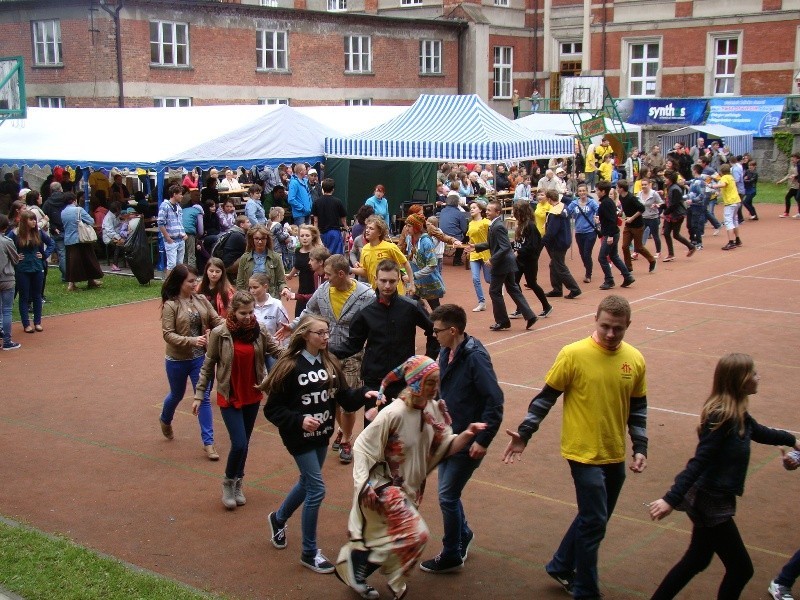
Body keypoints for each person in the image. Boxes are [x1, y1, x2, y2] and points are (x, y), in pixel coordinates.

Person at [503, 294, 648, 600]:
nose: (610, 334)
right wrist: (525, 433)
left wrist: (640, 445)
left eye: (618, 329)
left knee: (595, 516)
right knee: (595, 520)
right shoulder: (573, 354)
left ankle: (561, 563)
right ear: (595, 320)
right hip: (581, 451)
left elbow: (638, 407)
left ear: (628, 326)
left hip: (615, 451)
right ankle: (586, 590)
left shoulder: (634, 360)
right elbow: (545, 397)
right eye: (606, 326)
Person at [334, 355, 487, 600]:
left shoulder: (432, 410)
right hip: (384, 486)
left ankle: (354, 566)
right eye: (429, 382)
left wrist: (468, 434)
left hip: (410, 487)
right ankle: (366, 570)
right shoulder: (393, 413)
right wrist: (363, 485)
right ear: (415, 382)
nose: (434, 387)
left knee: (392, 536)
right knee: (416, 535)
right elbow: (363, 446)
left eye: (436, 382)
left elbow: (445, 447)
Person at [648, 353, 799, 600]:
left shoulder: (738, 414)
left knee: (696, 560)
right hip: (710, 502)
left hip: (714, 499)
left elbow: (759, 432)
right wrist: (670, 499)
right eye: (754, 373)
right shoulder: (722, 416)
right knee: (741, 569)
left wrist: (792, 440)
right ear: (740, 380)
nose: (758, 377)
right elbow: (699, 462)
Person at [263, 314, 374, 574]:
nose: (325, 337)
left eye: (327, 333)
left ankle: (278, 519)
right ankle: (309, 552)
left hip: (322, 434)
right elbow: (273, 409)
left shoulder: (330, 362)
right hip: (298, 436)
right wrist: (299, 421)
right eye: (319, 333)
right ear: (304, 335)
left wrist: (365, 393)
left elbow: (345, 398)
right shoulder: (289, 365)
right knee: (316, 490)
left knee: (306, 483)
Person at [419, 304, 503, 574]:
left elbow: (495, 400)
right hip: (448, 436)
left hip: (467, 439)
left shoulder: (475, 358)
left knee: (446, 496)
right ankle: (462, 535)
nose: (434, 335)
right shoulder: (446, 351)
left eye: (437, 331)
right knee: (449, 494)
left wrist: (483, 439)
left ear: (453, 330)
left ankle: (452, 552)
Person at [276, 253, 374, 464]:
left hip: (353, 355)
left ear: (341, 274)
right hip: (328, 353)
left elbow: (374, 322)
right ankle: (341, 430)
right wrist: (292, 327)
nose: (325, 278)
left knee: (348, 402)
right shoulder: (323, 291)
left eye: (329, 275)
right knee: (332, 398)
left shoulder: (366, 295)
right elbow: (308, 312)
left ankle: (347, 439)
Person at [194, 290, 282, 509]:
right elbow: (208, 365)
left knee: (245, 444)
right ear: (233, 311)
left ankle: (238, 482)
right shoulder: (220, 333)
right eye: (243, 313)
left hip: (252, 393)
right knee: (239, 442)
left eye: (251, 312)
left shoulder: (258, 330)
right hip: (230, 395)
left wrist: (301, 350)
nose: (249, 316)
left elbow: (276, 350)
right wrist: (199, 395)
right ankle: (228, 482)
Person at [331, 259, 438, 422]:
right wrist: (324, 350)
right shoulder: (365, 311)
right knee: (374, 429)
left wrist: (427, 360)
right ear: (375, 279)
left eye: (392, 281)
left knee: (404, 428)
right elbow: (353, 345)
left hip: (404, 379)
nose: (387, 286)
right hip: (375, 380)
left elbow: (434, 330)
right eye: (383, 281)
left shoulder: (411, 307)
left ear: (398, 281)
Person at [158, 264, 225, 461]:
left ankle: (209, 443)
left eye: (196, 279)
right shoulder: (171, 305)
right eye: (190, 281)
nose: (195, 283)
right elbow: (168, 334)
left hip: (199, 358)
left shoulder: (202, 299)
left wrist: (230, 325)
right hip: (177, 359)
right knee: (176, 394)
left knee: (203, 397)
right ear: (180, 282)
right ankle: (165, 419)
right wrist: (192, 341)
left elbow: (216, 319)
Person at [466, 199, 536, 331]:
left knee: (494, 291)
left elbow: (504, 247)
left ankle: (502, 321)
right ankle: (530, 315)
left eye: (489, 210)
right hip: (507, 263)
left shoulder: (497, 226)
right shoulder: (494, 225)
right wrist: (475, 246)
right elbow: (493, 244)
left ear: (497, 212)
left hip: (502, 265)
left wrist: (492, 260)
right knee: (513, 289)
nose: (487, 212)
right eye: (486, 210)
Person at [351, 215, 414, 297]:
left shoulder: (390, 247)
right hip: (377, 293)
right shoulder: (365, 249)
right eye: (367, 228)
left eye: (371, 228)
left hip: (396, 292)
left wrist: (412, 284)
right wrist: (350, 269)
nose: (367, 230)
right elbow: (365, 272)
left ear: (379, 233)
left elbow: (405, 263)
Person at [593, 181, 634, 290]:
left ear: (603, 191)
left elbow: (611, 220)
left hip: (610, 233)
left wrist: (610, 235)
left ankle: (609, 280)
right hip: (613, 232)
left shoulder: (606, 203)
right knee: (614, 256)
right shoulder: (608, 202)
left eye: (597, 190)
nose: (596, 192)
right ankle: (627, 276)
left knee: (602, 257)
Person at [542, 190, 582, 300]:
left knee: (559, 266)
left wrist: (542, 242)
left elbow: (551, 232)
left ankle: (574, 288)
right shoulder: (563, 207)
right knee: (554, 265)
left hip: (558, 243)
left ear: (549, 199)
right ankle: (557, 289)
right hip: (565, 240)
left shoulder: (555, 213)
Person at [60, 193, 103, 292]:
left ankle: (74, 283)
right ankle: (88, 280)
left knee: (72, 263)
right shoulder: (78, 210)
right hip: (81, 238)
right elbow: (91, 221)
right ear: (74, 200)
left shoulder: (63, 212)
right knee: (88, 260)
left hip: (68, 240)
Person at [405, 212, 445, 311]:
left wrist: (413, 276)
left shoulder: (426, 242)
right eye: (406, 226)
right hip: (415, 284)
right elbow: (411, 259)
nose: (406, 228)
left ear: (417, 227)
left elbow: (432, 265)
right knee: (407, 306)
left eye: (409, 226)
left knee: (437, 311)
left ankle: (442, 325)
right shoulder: (409, 239)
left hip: (429, 283)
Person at [235, 224, 288, 298]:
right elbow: (240, 283)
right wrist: (242, 298)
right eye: (256, 238)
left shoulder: (275, 257)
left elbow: (281, 282)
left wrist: (285, 289)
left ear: (267, 239)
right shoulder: (245, 258)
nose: (260, 242)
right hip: (250, 299)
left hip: (270, 298)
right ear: (252, 239)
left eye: (263, 238)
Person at [617, 180, 657, 273]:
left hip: (637, 225)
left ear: (622, 189)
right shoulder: (621, 196)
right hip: (628, 225)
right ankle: (628, 267)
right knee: (624, 246)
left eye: (618, 188)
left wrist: (632, 218)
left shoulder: (632, 198)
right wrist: (621, 211)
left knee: (639, 247)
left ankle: (652, 260)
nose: (617, 189)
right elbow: (624, 205)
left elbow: (641, 209)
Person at [564, 183, 599, 284]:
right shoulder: (574, 203)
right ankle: (587, 268)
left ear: (587, 192)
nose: (582, 193)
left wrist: (597, 218)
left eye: (584, 191)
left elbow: (599, 211)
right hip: (579, 232)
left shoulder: (592, 203)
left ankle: (588, 274)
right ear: (577, 193)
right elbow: (566, 212)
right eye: (580, 191)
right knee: (582, 254)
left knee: (587, 253)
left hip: (590, 232)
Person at [286, 224, 324, 316]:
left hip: (315, 284)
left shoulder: (318, 251)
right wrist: (290, 275)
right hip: (303, 285)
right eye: (302, 236)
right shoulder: (298, 250)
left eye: (307, 235)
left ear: (312, 237)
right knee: (299, 314)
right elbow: (297, 265)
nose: (304, 238)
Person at [248, 271, 289, 342]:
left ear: (265, 287)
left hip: (272, 349)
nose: (252, 291)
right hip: (253, 348)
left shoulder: (277, 305)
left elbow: (284, 330)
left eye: (255, 287)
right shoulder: (248, 305)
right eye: (250, 288)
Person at [158, 185, 188, 277]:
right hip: (171, 239)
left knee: (180, 264)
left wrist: (184, 234)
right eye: (180, 194)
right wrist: (167, 237)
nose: (182, 196)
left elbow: (180, 222)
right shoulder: (165, 206)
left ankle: (178, 284)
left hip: (181, 238)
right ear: (174, 194)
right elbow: (160, 222)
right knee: (171, 264)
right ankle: (168, 284)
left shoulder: (179, 207)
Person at [466, 200, 491, 312]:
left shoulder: (486, 222)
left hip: (485, 253)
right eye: (470, 208)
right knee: (475, 278)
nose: (471, 209)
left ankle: (501, 284)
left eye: (474, 207)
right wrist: (468, 249)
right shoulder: (470, 223)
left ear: (480, 210)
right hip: (474, 254)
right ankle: (481, 302)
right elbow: (470, 239)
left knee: (488, 279)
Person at [311, 178, 347, 255]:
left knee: (322, 255)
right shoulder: (338, 202)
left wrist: (315, 232)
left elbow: (315, 220)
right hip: (334, 232)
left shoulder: (317, 202)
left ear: (322, 189)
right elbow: (343, 218)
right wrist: (346, 228)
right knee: (336, 256)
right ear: (333, 189)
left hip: (321, 232)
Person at [0, 214, 20, 350]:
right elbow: (15, 259)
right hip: (6, 277)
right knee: (7, 310)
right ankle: (7, 341)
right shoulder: (6, 241)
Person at [712, 164, 742, 251]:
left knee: (728, 222)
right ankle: (737, 239)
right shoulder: (731, 177)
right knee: (734, 220)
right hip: (736, 201)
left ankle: (731, 242)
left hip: (730, 203)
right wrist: (718, 193)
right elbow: (728, 188)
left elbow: (723, 185)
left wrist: (713, 186)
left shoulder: (724, 178)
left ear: (721, 172)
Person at [438, 192, 468, 266]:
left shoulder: (442, 211)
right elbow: (464, 229)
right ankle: (457, 259)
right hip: (454, 238)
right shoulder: (459, 213)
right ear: (457, 203)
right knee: (466, 236)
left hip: (442, 236)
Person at [776, 153, 799, 218]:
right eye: (791, 159)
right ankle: (788, 212)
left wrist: (795, 177)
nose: (792, 160)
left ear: (797, 158)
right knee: (797, 199)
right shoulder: (792, 166)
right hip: (793, 186)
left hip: (797, 186)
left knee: (788, 197)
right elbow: (788, 175)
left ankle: (786, 212)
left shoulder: (798, 166)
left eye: (793, 159)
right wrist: (781, 181)